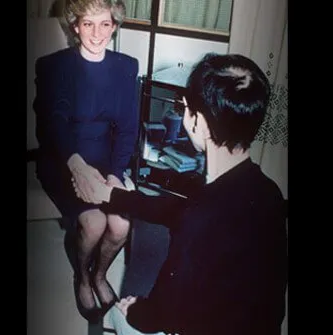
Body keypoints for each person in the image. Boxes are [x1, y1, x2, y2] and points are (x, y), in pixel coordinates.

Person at [75, 53, 288, 334]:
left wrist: (135, 309)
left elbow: (164, 313)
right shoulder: (267, 191)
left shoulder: (198, 223)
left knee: (115, 315)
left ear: (196, 121)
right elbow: (176, 210)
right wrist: (113, 196)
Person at [32, 0, 139, 323]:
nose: (97, 33)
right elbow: (54, 123)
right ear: (74, 26)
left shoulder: (125, 66)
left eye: (105, 24)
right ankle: (81, 275)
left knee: (121, 225)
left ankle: (99, 274)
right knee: (93, 224)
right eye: (88, 24)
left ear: (115, 27)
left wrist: (116, 174)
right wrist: (76, 165)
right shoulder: (53, 66)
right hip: (64, 157)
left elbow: (128, 127)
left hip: (106, 158)